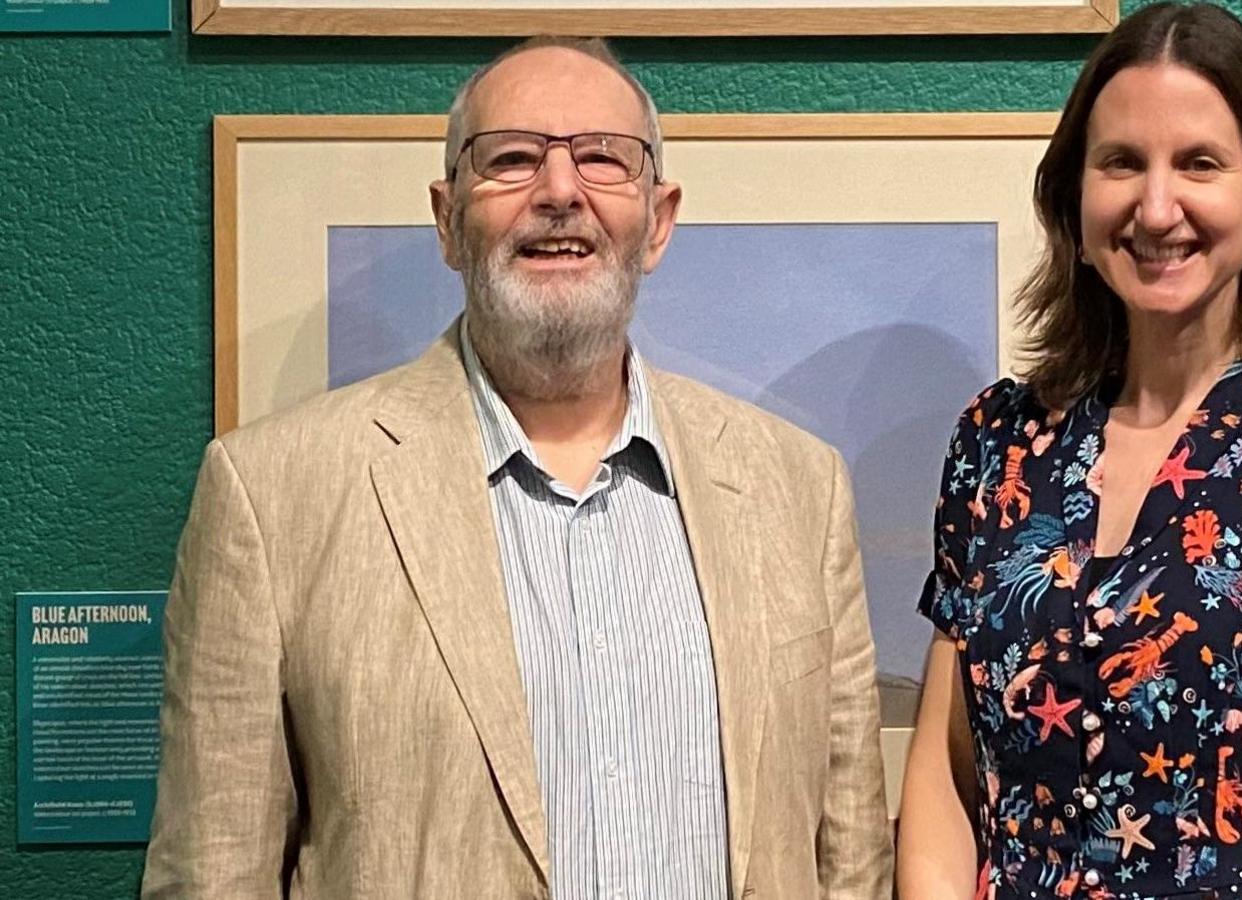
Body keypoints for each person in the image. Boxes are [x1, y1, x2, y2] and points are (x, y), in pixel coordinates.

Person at [142, 37, 893, 900]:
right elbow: (212, 873)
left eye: (605, 160)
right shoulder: (271, 495)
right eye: (512, 160)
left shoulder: (798, 487)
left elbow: (852, 862)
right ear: (447, 219)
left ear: (658, 219)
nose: (560, 191)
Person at [895, 4, 1242, 898]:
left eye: (1199, 163)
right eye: (1121, 163)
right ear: (1075, 201)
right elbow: (945, 785)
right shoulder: (997, 442)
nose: (1156, 207)